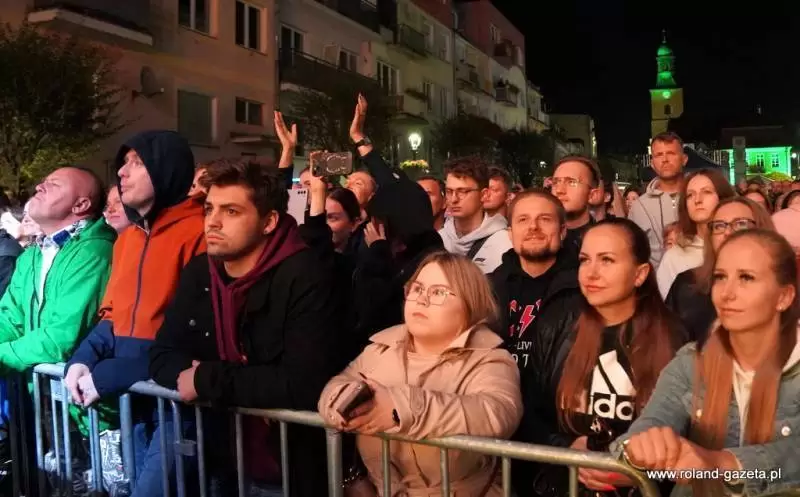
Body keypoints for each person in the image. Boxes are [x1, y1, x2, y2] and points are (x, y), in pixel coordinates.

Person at [150, 159, 340, 497]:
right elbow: (162, 356)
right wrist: (222, 380)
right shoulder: (200, 271)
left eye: (232, 211)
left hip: (292, 464)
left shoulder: (305, 273)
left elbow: (305, 382)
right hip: (221, 459)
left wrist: (207, 379)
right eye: (209, 209)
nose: (213, 221)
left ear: (269, 222)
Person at [63, 130, 206, 497]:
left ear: (166, 168)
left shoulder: (201, 232)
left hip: (179, 406)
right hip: (134, 401)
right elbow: (112, 313)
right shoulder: (127, 239)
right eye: (123, 163)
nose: (122, 172)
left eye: (137, 163)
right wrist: (83, 357)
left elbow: (202, 332)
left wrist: (123, 370)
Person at [609, 230, 800, 496]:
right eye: (720, 277)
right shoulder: (691, 362)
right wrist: (640, 449)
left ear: (784, 297)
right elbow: (646, 427)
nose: (727, 293)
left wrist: (720, 463)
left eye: (746, 278)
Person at [319, 251, 522, 496]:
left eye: (438, 292)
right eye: (417, 289)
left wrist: (401, 407)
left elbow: (497, 411)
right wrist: (339, 405)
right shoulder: (380, 349)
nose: (421, 300)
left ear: (470, 304)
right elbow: (339, 384)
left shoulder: (490, 358)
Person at [518, 218, 683, 496]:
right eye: (585, 260)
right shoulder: (557, 324)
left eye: (607, 260)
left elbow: (691, 438)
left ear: (640, 274)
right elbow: (530, 410)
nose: (591, 273)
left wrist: (639, 473)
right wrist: (566, 449)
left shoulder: (675, 338)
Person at [0, 167, 114, 373]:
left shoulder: (93, 252)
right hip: (41, 387)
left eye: (54, 184)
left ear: (80, 205)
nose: (39, 186)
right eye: (44, 181)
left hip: (78, 390)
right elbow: (9, 318)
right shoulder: (30, 256)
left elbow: (61, 336)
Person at [490, 190, 581, 372]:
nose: (533, 227)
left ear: (562, 231)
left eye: (545, 219)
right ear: (510, 233)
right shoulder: (486, 289)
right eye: (523, 220)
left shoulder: (584, 288)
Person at [666, 197, 775, 343]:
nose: (727, 232)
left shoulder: (780, 284)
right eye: (719, 226)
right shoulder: (686, 284)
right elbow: (668, 345)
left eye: (741, 224)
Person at [656, 169, 735, 297]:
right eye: (690, 195)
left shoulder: (740, 247)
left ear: (723, 197)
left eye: (707, 192)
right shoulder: (674, 257)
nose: (697, 200)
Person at [439, 157, 512, 273]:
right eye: (449, 191)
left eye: (463, 191)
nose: (453, 199)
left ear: (484, 195)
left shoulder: (504, 243)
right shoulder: (437, 240)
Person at [629, 132, 687, 265]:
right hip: (656, 277)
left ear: (684, 159)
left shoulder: (697, 197)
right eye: (659, 155)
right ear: (652, 163)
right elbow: (634, 250)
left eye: (671, 153)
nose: (665, 159)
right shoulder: (639, 207)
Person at [550, 156, 603, 259]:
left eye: (571, 182)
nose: (559, 190)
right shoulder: (538, 237)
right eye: (556, 182)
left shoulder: (604, 242)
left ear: (592, 195)